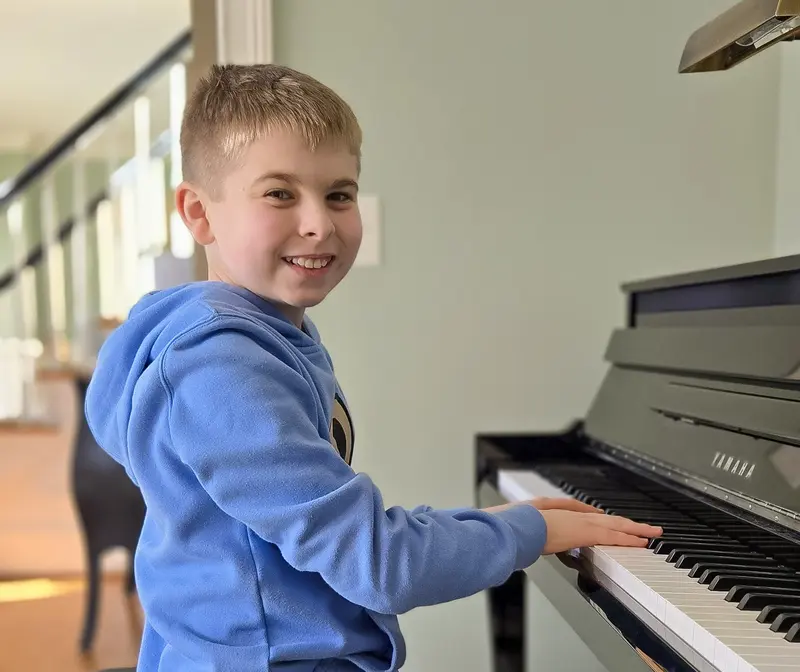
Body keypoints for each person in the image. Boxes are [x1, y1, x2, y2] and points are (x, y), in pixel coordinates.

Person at [85, 63, 661, 671]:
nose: (319, 222)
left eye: (339, 193)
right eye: (280, 193)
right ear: (200, 212)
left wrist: (490, 524)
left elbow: (335, 527)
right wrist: (525, 537)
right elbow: (379, 566)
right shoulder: (223, 367)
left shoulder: (258, 334)